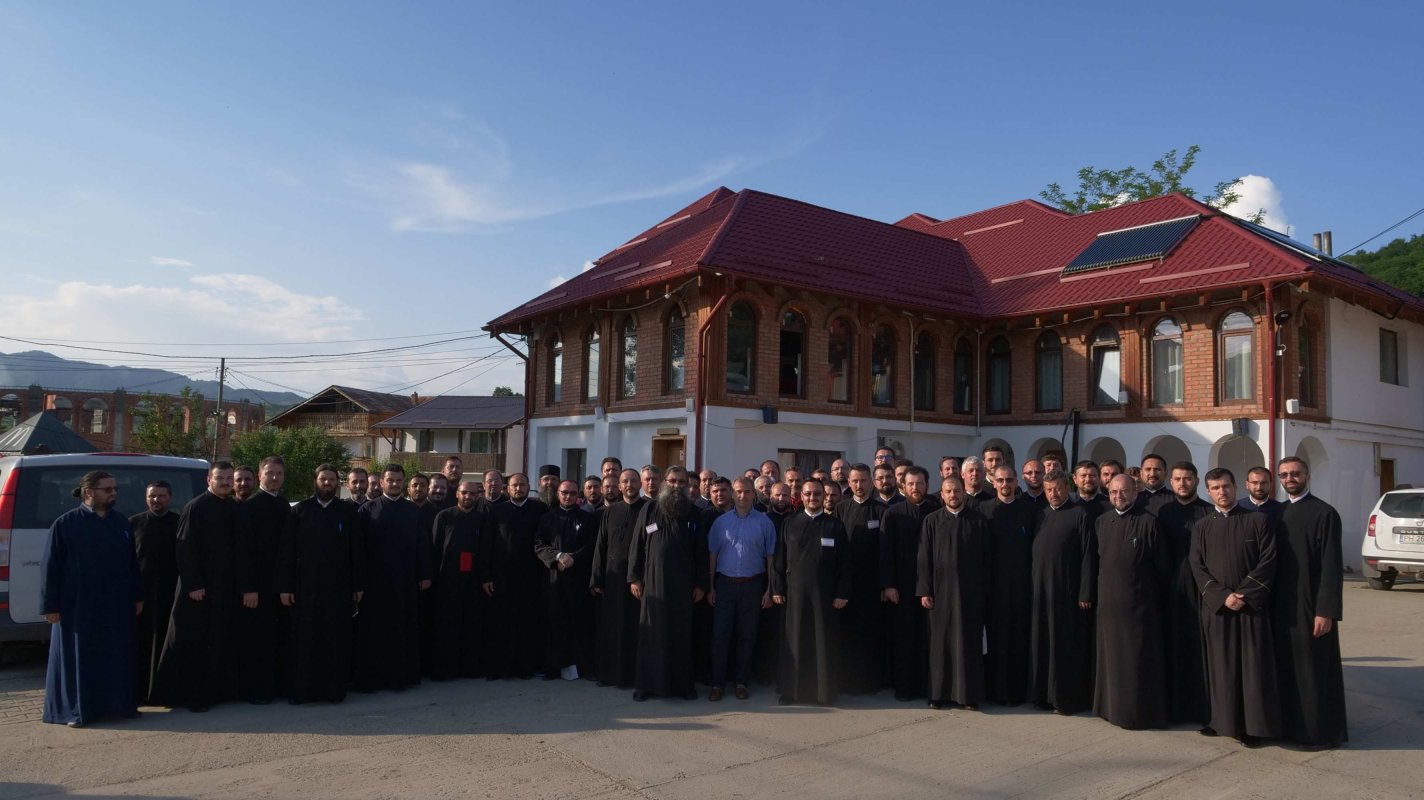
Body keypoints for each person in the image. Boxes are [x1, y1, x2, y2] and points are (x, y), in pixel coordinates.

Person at [42, 471, 143, 727]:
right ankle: (77, 711)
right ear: (89, 492)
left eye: (114, 489)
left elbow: (132, 564)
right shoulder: (65, 524)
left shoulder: (121, 523)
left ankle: (119, 706)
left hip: (115, 604)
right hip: (78, 605)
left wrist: (137, 596)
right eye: (107, 489)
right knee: (80, 658)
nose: (113, 493)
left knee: (116, 655)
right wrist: (50, 606)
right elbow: (50, 568)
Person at [1191, 468, 1281, 748]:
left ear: (1235, 487)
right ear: (1208, 491)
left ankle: (1254, 727)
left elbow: (1268, 561)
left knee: (1253, 669)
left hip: (1250, 608)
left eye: (1226, 486)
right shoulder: (1202, 526)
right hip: (1218, 609)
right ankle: (1222, 722)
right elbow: (1198, 566)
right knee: (1222, 668)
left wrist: (1243, 594)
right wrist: (1222, 596)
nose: (1222, 491)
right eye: (1215, 487)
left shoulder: (1258, 521)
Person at [152, 462, 240, 712]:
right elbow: (184, 547)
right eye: (220, 477)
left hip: (223, 587)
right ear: (208, 480)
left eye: (228, 478)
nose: (225, 482)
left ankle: (215, 692)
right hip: (198, 588)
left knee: (217, 640)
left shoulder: (233, 506)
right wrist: (194, 583)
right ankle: (189, 696)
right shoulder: (196, 507)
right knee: (193, 642)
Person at [1085, 475, 1171, 730]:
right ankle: (1110, 709)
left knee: (1135, 663)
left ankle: (1135, 714)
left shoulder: (1149, 523)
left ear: (1135, 493)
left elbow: (1162, 568)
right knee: (1110, 662)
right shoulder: (1102, 522)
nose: (1118, 497)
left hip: (1139, 607)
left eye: (1123, 492)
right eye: (1113, 492)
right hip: (1108, 608)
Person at [1274, 457, 1347, 749]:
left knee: (1313, 671)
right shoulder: (1277, 513)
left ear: (1307, 475)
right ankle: (1289, 728)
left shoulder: (1325, 513)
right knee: (1287, 669)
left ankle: (1318, 733)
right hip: (1282, 607)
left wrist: (1326, 610)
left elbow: (1332, 566)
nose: (1290, 478)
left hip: (1311, 607)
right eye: (1284, 474)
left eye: (1295, 473)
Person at [278, 464, 365, 704]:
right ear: (315, 481)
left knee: (334, 641)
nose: (327, 483)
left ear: (338, 484)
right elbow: (287, 552)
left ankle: (333, 692)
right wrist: (285, 587)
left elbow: (356, 551)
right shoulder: (300, 511)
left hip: (338, 590)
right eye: (323, 479)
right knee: (305, 641)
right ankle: (303, 692)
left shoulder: (347, 513)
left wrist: (358, 585)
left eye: (331, 480)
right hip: (305, 590)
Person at [628, 466, 707, 701]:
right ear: (664, 482)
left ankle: (683, 686)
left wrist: (701, 584)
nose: (676, 486)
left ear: (687, 485)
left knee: (681, 635)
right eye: (672, 481)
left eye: (681, 482)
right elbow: (637, 546)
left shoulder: (695, 514)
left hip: (683, 587)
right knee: (651, 633)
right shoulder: (650, 509)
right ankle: (645, 686)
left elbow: (701, 553)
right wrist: (634, 577)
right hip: (653, 583)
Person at [353, 464, 431, 693]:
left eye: (399, 480)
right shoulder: (367, 510)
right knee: (374, 631)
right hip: (375, 582)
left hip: (405, 580)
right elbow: (358, 549)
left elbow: (422, 545)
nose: (395, 484)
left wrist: (425, 573)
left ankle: (400, 678)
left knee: (402, 629)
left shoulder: (413, 511)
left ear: (403, 483)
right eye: (390, 480)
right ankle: (373, 679)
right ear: (381, 482)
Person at [772, 480, 850, 706]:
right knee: (794, 642)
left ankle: (824, 693)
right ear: (802, 496)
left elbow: (845, 564)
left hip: (825, 597)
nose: (813, 497)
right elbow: (779, 558)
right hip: (795, 595)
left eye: (817, 494)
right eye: (808, 494)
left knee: (822, 643)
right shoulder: (790, 523)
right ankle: (791, 692)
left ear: (824, 496)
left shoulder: (835, 525)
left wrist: (842, 593)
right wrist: (777, 588)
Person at [917, 475, 990, 711]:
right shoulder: (931, 521)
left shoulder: (978, 521)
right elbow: (924, 557)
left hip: (970, 595)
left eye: (957, 491)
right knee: (940, 645)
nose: (953, 495)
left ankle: (968, 696)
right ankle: (938, 694)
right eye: (948, 492)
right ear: (941, 495)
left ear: (964, 493)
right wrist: (925, 589)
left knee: (968, 644)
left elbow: (987, 560)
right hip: (939, 594)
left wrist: (984, 591)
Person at [1027, 469, 1093, 716]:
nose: (1053, 494)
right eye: (1048, 490)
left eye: (1057, 489)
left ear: (1067, 488)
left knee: (1063, 645)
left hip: (1067, 593)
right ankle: (1042, 695)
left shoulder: (1079, 515)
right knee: (1042, 642)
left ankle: (1064, 698)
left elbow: (1088, 556)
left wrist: (1085, 592)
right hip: (1040, 592)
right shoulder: (1041, 514)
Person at [707, 477, 776, 701]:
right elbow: (713, 556)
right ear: (733, 494)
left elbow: (770, 558)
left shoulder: (765, 522)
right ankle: (717, 684)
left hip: (753, 585)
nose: (742, 496)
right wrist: (711, 587)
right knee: (721, 635)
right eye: (738, 491)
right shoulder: (721, 523)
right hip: (725, 585)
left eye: (747, 492)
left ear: (753, 494)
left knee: (747, 635)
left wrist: (769, 589)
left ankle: (741, 682)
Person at [1155, 461, 1213, 724]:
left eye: (1187, 479)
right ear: (1171, 482)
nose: (1182, 483)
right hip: (1171, 591)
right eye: (1177, 479)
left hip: (1203, 592)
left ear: (1197, 481)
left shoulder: (1208, 512)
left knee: (1201, 651)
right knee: (1173, 649)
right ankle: (1174, 707)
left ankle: (1204, 708)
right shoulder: (1163, 512)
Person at [879, 466, 940, 701]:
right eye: (911, 484)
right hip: (902, 586)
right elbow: (886, 552)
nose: (916, 488)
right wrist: (889, 585)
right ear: (903, 486)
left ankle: (928, 686)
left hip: (932, 585)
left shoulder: (936, 510)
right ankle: (904, 687)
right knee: (905, 637)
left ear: (927, 484)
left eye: (920, 483)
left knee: (929, 637)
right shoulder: (893, 513)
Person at [481, 473, 549, 679]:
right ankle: (500, 668)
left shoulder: (540, 510)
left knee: (527, 623)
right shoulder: (497, 511)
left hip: (531, 576)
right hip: (502, 577)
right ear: (507, 489)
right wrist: (486, 576)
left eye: (522, 485)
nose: (518, 488)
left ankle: (525, 667)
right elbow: (487, 544)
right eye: (514, 485)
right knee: (501, 623)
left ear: (529, 487)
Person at [235, 456, 289, 704]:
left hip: (280, 585)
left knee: (277, 637)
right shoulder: (250, 507)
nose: (275, 477)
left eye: (279, 473)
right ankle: (257, 691)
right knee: (257, 640)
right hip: (258, 587)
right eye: (270, 473)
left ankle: (276, 686)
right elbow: (244, 552)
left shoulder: (285, 505)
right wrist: (248, 589)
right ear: (260, 476)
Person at [980, 466, 1035, 706]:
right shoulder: (983, 510)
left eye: (1009, 480)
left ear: (1016, 481)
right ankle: (994, 691)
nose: (1005, 484)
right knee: (995, 640)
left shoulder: (1029, 510)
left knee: (1018, 639)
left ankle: (1017, 691)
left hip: (1021, 587)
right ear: (993, 482)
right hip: (994, 588)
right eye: (1000, 480)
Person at [832, 463, 888, 695]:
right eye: (854, 481)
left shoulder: (882, 510)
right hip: (846, 584)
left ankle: (869, 682)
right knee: (846, 634)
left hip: (872, 584)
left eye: (863, 481)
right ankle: (846, 681)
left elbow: (886, 552)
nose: (859, 485)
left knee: (870, 634)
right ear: (849, 483)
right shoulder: (841, 508)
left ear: (872, 482)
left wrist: (885, 584)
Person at [589, 469, 647, 688]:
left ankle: (634, 676)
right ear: (619, 486)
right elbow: (600, 547)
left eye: (633, 480)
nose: (629, 484)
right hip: (613, 579)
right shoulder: (610, 511)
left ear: (640, 483)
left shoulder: (648, 509)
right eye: (625, 481)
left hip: (638, 580)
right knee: (612, 628)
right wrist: (596, 578)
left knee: (635, 628)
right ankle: (610, 675)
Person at [534, 480, 595, 681]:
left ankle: (579, 666)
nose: (567, 496)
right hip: (553, 578)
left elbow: (591, 546)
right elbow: (539, 545)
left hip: (578, 579)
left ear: (578, 495)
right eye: (564, 492)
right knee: (554, 622)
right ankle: (553, 666)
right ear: (558, 493)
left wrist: (573, 558)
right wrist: (557, 557)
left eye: (572, 493)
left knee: (577, 623)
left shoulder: (587, 518)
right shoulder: (547, 518)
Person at [428, 480, 486, 680]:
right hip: (448, 580)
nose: (468, 497)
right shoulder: (444, 516)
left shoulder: (482, 519)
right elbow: (434, 550)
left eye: (472, 493)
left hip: (473, 580)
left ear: (477, 495)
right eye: (464, 493)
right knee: (447, 626)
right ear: (457, 494)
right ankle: (445, 669)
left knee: (471, 624)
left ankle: (470, 668)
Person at [130, 480, 179, 705]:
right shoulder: (134, 523)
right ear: (146, 498)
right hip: (143, 594)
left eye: (161, 496)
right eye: (152, 496)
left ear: (170, 498)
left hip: (171, 592)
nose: (157, 500)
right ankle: (140, 693)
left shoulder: (178, 523)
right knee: (142, 643)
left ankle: (165, 691)